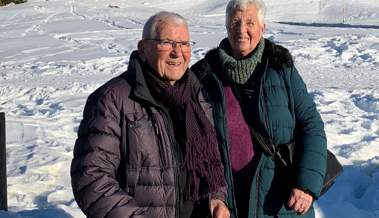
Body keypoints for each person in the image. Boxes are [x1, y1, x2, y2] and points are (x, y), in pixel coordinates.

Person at [70, 11, 230, 218]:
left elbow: (210, 162)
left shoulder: (195, 96)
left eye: (184, 44)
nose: (177, 52)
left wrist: (216, 198)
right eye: (166, 42)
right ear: (143, 49)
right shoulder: (113, 99)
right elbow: (91, 179)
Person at [191, 0, 327, 217]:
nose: (241, 30)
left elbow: (311, 125)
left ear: (262, 28)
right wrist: (213, 196)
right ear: (226, 27)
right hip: (228, 205)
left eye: (250, 23)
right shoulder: (205, 77)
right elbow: (195, 144)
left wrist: (306, 185)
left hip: (281, 203)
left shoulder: (281, 69)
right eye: (235, 23)